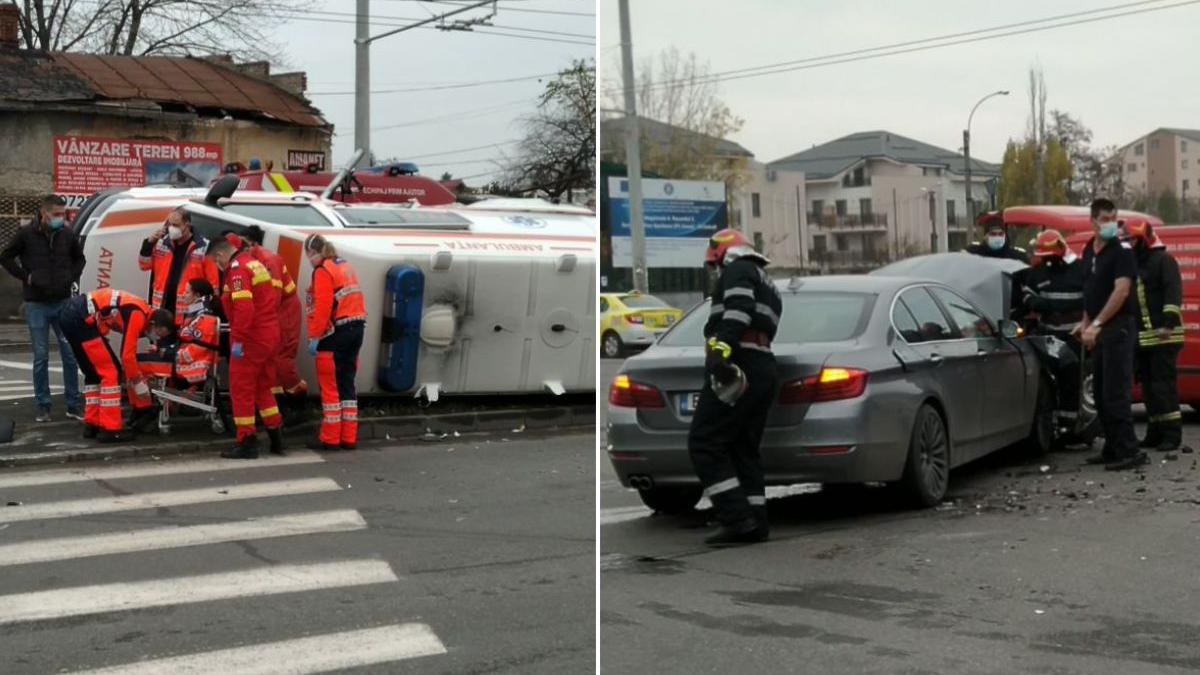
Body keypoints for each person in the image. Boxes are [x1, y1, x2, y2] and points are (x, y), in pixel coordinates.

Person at [687, 228, 782, 547]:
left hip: (739, 364)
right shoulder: (766, 280)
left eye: (716, 264)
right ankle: (756, 520)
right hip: (762, 363)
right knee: (743, 447)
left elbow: (739, 310)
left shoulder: (739, 270)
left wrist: (720, 351)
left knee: (704, 441)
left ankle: (737, 519)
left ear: (724, 255)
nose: (716, 271)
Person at [0, 195, 84, 422]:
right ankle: (43, 405)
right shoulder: (26, 234)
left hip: (63, 302)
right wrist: (26, 277)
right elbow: (5, 257)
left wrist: (70, 277)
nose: (61, 218)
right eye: (56, 214)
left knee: (70, 354)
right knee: (41, 356)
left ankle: (73, 404)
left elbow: (80, 259)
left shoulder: (67, 234)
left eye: (63, 214)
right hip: (36, 303)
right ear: (43, 213)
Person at [1078, 198, 1146, 471]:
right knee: (1100, 393)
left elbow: (1121, 291)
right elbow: (1089, 291)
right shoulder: (1089, 250)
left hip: (1118, 327)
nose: (1111, 224)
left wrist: (1097, 323)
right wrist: (1086, 324)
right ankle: (1112, 447)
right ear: (1093, 221)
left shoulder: (1122, 252)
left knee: (1115, 393)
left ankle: (1129, 450)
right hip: (1098, 329)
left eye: (1113, 219)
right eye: (1105, 219)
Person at [208, 238, 283, 459]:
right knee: (262, 387)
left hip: (251, 338)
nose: (218, 266)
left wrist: (238, 340)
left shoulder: (237, 270)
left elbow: (244, 308)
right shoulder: (253, 263)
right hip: (269, 334)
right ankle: (276, 436)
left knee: (241, 390)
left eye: (215, 262)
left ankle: (247, 441)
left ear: (220, 256)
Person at [58, 289, 155, 442]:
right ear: (155, 323)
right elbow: (127, 356)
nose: (156, 338)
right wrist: (138, 383)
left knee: (93, 374)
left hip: (71, 315)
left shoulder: (133, 305)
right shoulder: (139, 313)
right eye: (160, 333)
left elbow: (105, 320)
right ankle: (111, 428)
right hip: (81, 317)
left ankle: (92, 423)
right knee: (111, 372)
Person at [233, 227, 308, 414]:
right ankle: (277, 405)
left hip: (284, 312)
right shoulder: (251, 261)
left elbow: (271, 298)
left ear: (253, 244)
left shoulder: (268, 261)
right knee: (270, 361)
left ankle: (299, 401)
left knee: (282, 359)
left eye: (243, 244)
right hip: (272, 315)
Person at [304, 233, 367, 452]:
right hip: (357, 329)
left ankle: (330, 439)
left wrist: (314, 336)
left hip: (335, 333)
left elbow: (323, 306)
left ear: (313, 252)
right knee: (347, 384)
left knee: (330, 385)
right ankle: (348, 437)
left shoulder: (322, 271)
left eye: (308, 255)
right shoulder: (343, 265)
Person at [1126, 221, 1185, 452]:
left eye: (1133, 240)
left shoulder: (1164, 261)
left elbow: (1173, 293)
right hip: (1144, 338)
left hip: (1164, 336)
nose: (1130, 244)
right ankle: (1155, 431)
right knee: (1149, 388)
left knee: (1163, 387)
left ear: (1144, 240)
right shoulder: (1136, 264)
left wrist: (1168, 323)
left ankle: (1172, 434)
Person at [1017, 229, 1086, 420]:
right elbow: (1027, 295)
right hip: (1048, 337)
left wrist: (1056, 305)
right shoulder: (1038, 273)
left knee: (1071, 379)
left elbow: (1090, 298)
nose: (1047, 260)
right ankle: (1052, 421)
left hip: (1074, 336)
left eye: (1049, 256)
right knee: (1048, 380)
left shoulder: (1080, 270)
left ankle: (1070, 422)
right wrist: (1036, 303)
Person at [138, 208, 220, 322]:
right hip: (162, 309)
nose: (171, 228)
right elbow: (144, 265)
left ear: (187, 225)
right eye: (170, 224)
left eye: (176, 225)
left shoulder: (204, 247)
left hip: (189, 313)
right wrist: (148, 244)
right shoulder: (162, 243)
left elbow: (213, 286)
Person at [965, 213, 1030, 263]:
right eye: (993, 234)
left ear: (1005, 236)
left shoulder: (1017, 257)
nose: (997, 236)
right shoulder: (973, 254)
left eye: (1000, 234)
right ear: (985, 236)